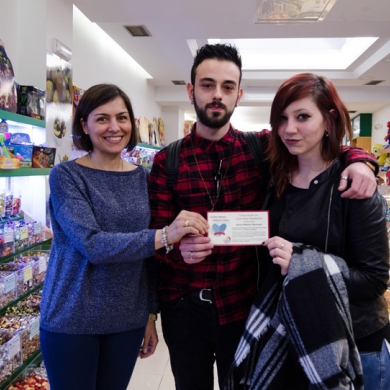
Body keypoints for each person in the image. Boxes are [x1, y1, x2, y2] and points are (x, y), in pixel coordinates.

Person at [148, 44, 380, 389]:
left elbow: (317, 143)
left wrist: (361, 160)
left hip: (244, 307)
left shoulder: (261, 150)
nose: (217, 95)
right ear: (190, 90)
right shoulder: (167, 161)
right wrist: (173, 246)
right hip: (184, 310)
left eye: (227, 87)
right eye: (207, 85)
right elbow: (154, 239)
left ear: (238, 94)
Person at [225, 73, 390, 389]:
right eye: (282, 119)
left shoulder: (353, 186)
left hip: (353, 343)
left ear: (329, 120)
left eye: (303, 117)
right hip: (292, 336)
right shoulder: (276, 177)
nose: (289, 129)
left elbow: (373, 280)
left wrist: (303, 264)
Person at [39, 83, 209, 390]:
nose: (114, 127)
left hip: (127, 321)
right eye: (102, 118)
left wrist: (150, 314)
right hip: (72, 318)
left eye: (122, 117)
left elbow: (150, 259)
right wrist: (165, 235)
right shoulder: (66, 176)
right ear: (84, 125)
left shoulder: (144, 178)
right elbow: (93, 245)